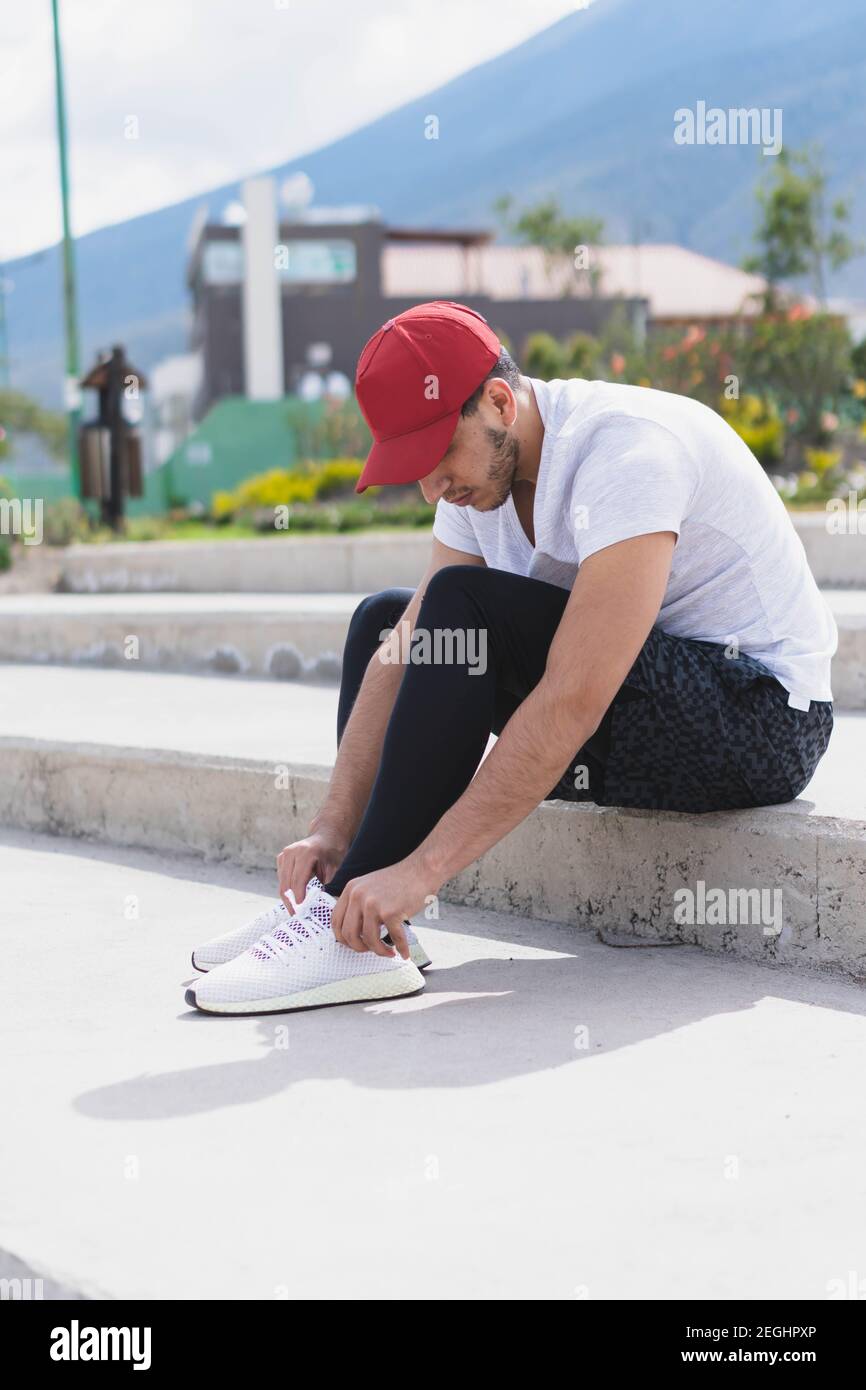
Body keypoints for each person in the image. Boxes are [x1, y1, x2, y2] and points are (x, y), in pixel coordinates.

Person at [186, 300, 836, 1016]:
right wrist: (330, 830)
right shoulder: (480, 469)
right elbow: (404, 644)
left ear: (499, 400)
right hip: (645, 715)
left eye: (436, 460)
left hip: (763, 723)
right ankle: (354, 908)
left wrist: (421, 873)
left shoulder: (627, 452)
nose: (432, 488)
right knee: (386, 623)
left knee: (466, 608)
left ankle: (357, 918)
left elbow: (573, 698)